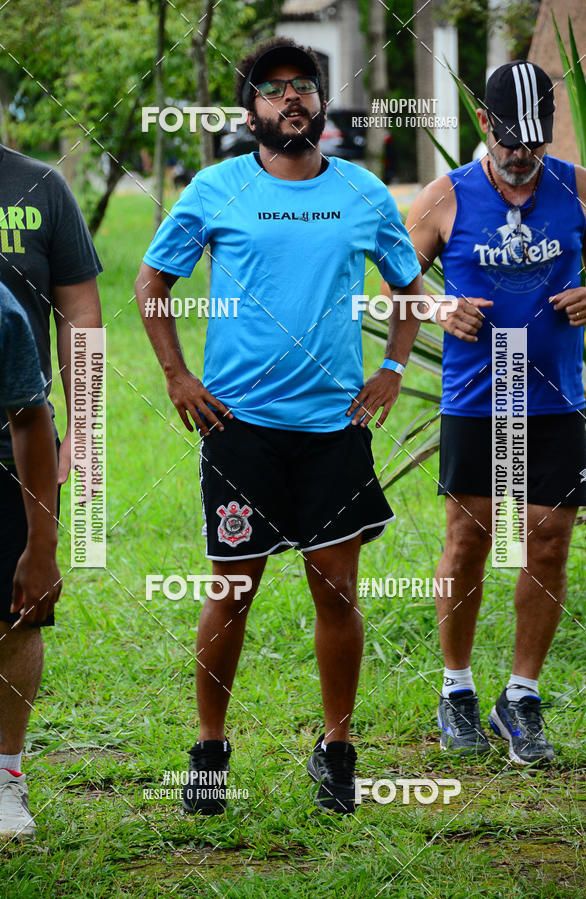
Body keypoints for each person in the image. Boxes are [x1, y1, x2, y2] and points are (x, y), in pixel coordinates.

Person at [135, 37, 423, 814]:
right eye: (273, 88)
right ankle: (208, 747)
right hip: (241, 429)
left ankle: (336, 747)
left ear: (321, 104)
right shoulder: (217, 188)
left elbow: (408, 283)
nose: (289, 98)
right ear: (251, 109)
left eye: (303, 87)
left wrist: (394, 367)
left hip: (333, 429)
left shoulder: (363, 194)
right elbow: (152, 279)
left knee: (337, 590)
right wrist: (175, 374)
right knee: (232, 591)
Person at [401, 60, 586, 764]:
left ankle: (521, 697)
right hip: (477, 396)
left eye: (535, 141)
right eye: (510, 139)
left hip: (553, 396)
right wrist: (437, 305)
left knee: (547, 540)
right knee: (470, 537)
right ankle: (456, 689)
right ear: (484, 125)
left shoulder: (579, 189)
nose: (522, 155)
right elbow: (398, 277)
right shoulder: (445, 197)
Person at [0, 145, 102, 837]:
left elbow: (81, 318)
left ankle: (6, 776)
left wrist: (84, 433)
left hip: (15, 434)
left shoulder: (41, 185)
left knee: (17, 612)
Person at [0, 283, 62, 839]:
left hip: (3, 469)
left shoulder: (2, 309)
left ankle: (5, 778)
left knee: (14, 621)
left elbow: (29, 416)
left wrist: (41, 547)